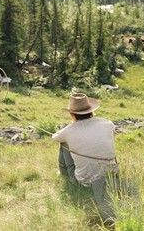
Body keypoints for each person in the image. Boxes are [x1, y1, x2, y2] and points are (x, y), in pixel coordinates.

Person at [52, 93, 119, 224]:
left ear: (72, 114)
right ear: (91, 111)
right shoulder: (107, 123)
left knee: (64, 143)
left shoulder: (68, 130)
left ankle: (64, 174)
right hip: (112, 174)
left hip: (85, 180)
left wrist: (71, 128)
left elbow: (54, 137)